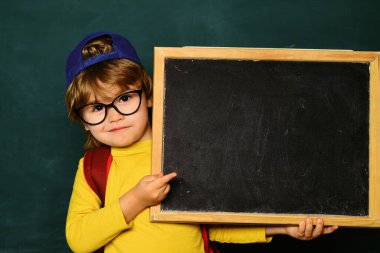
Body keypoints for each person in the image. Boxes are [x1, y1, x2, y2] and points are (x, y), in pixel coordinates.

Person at [64, 31, 338, 253]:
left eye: (124, 98)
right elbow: (79, 239)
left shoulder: (185, 149)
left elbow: (212, 225)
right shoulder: (93, 167)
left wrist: (282, 227)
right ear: (83, 120)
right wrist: (135, 200)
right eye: (97, 108)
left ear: (148, 96)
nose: (113, 116)